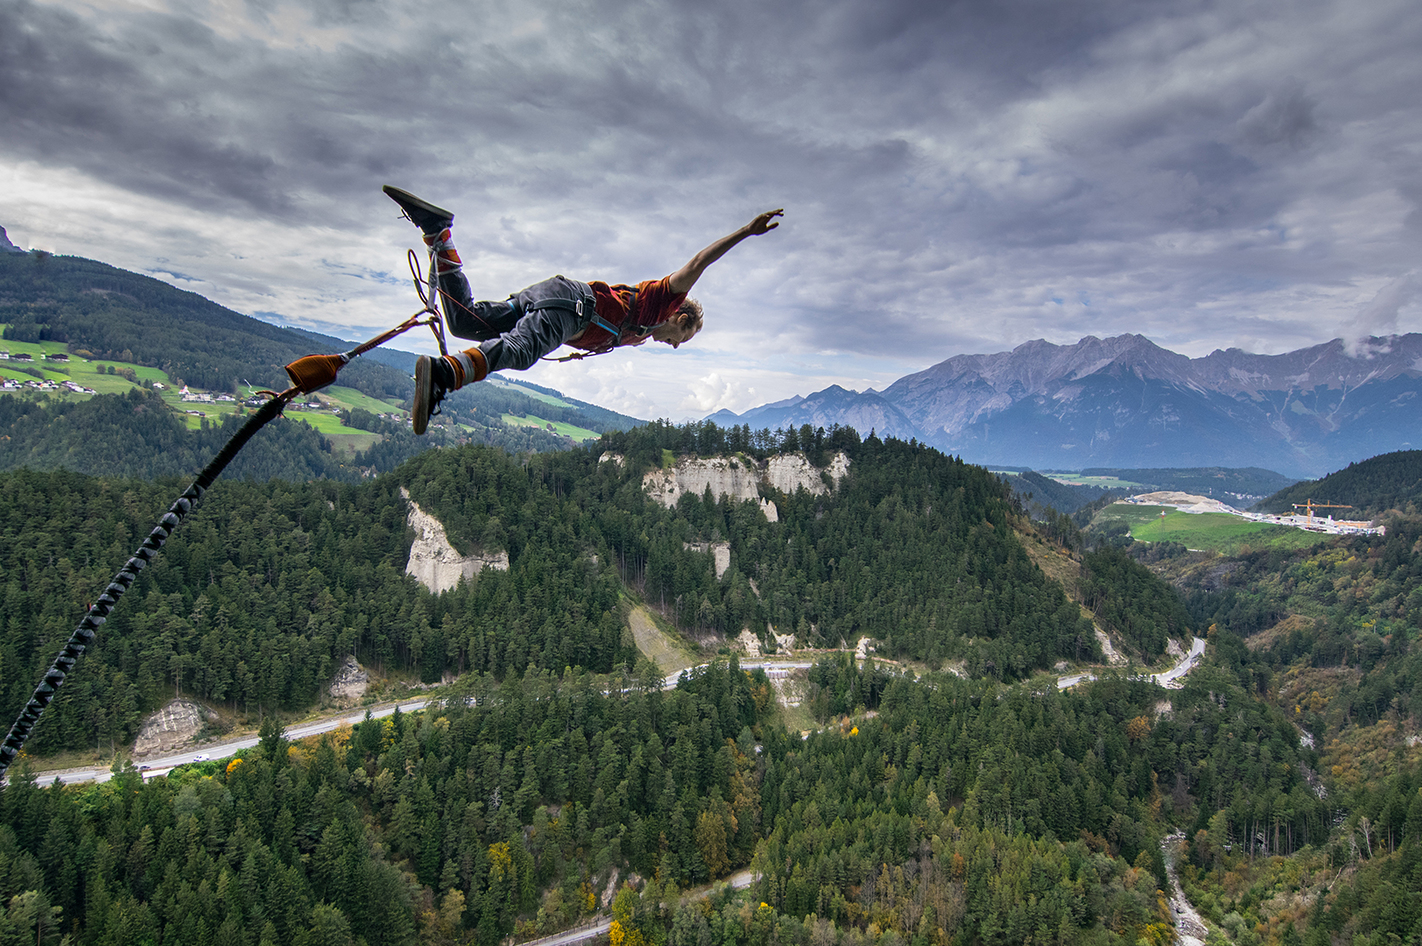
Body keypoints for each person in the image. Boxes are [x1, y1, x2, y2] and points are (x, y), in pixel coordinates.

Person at [383, 186, 783, 433]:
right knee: (522, 352)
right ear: (680, 317)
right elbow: (698, 263)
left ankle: (438, 233)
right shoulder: (665, 299)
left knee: (465, 322)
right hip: (571, 308)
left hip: (551, 297)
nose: (677, 346)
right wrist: (747, 232)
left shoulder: (641, 332)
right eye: (684, 337)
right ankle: (443, 374)